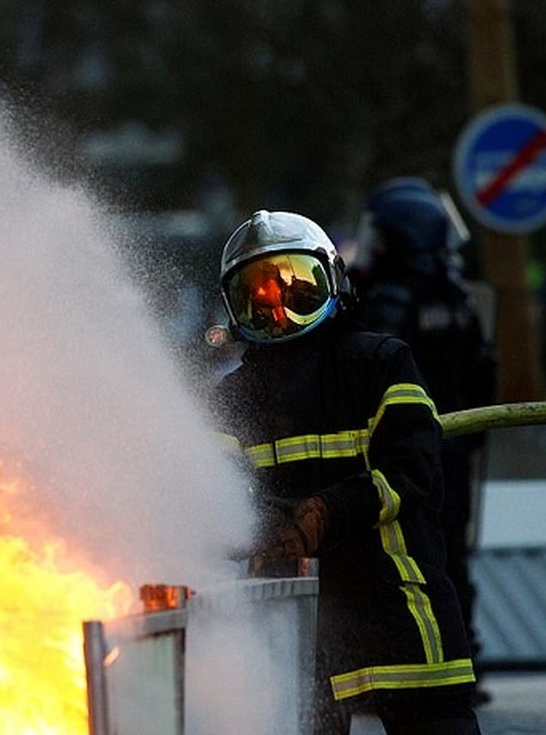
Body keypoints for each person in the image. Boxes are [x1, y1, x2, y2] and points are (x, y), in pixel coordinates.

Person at [208, 210, 482, 734]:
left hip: (398, 613)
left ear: (333, 282)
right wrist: (264, 527)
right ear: (234, 307)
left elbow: (412, 471)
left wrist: (324, 513)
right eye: (258, 296)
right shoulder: (229, 401)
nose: (279, 308)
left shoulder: (379, 363)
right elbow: (216, 497)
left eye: (296, 287)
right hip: (299, 633)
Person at [349, 177, 497, 701]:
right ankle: (462, 661)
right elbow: (485, 371)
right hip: (452, 453)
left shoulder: (388, 300)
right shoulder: (456, 298)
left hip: (403, 455)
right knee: (450, 556)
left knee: (401, 559)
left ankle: (396, 671)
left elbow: (363, 375)